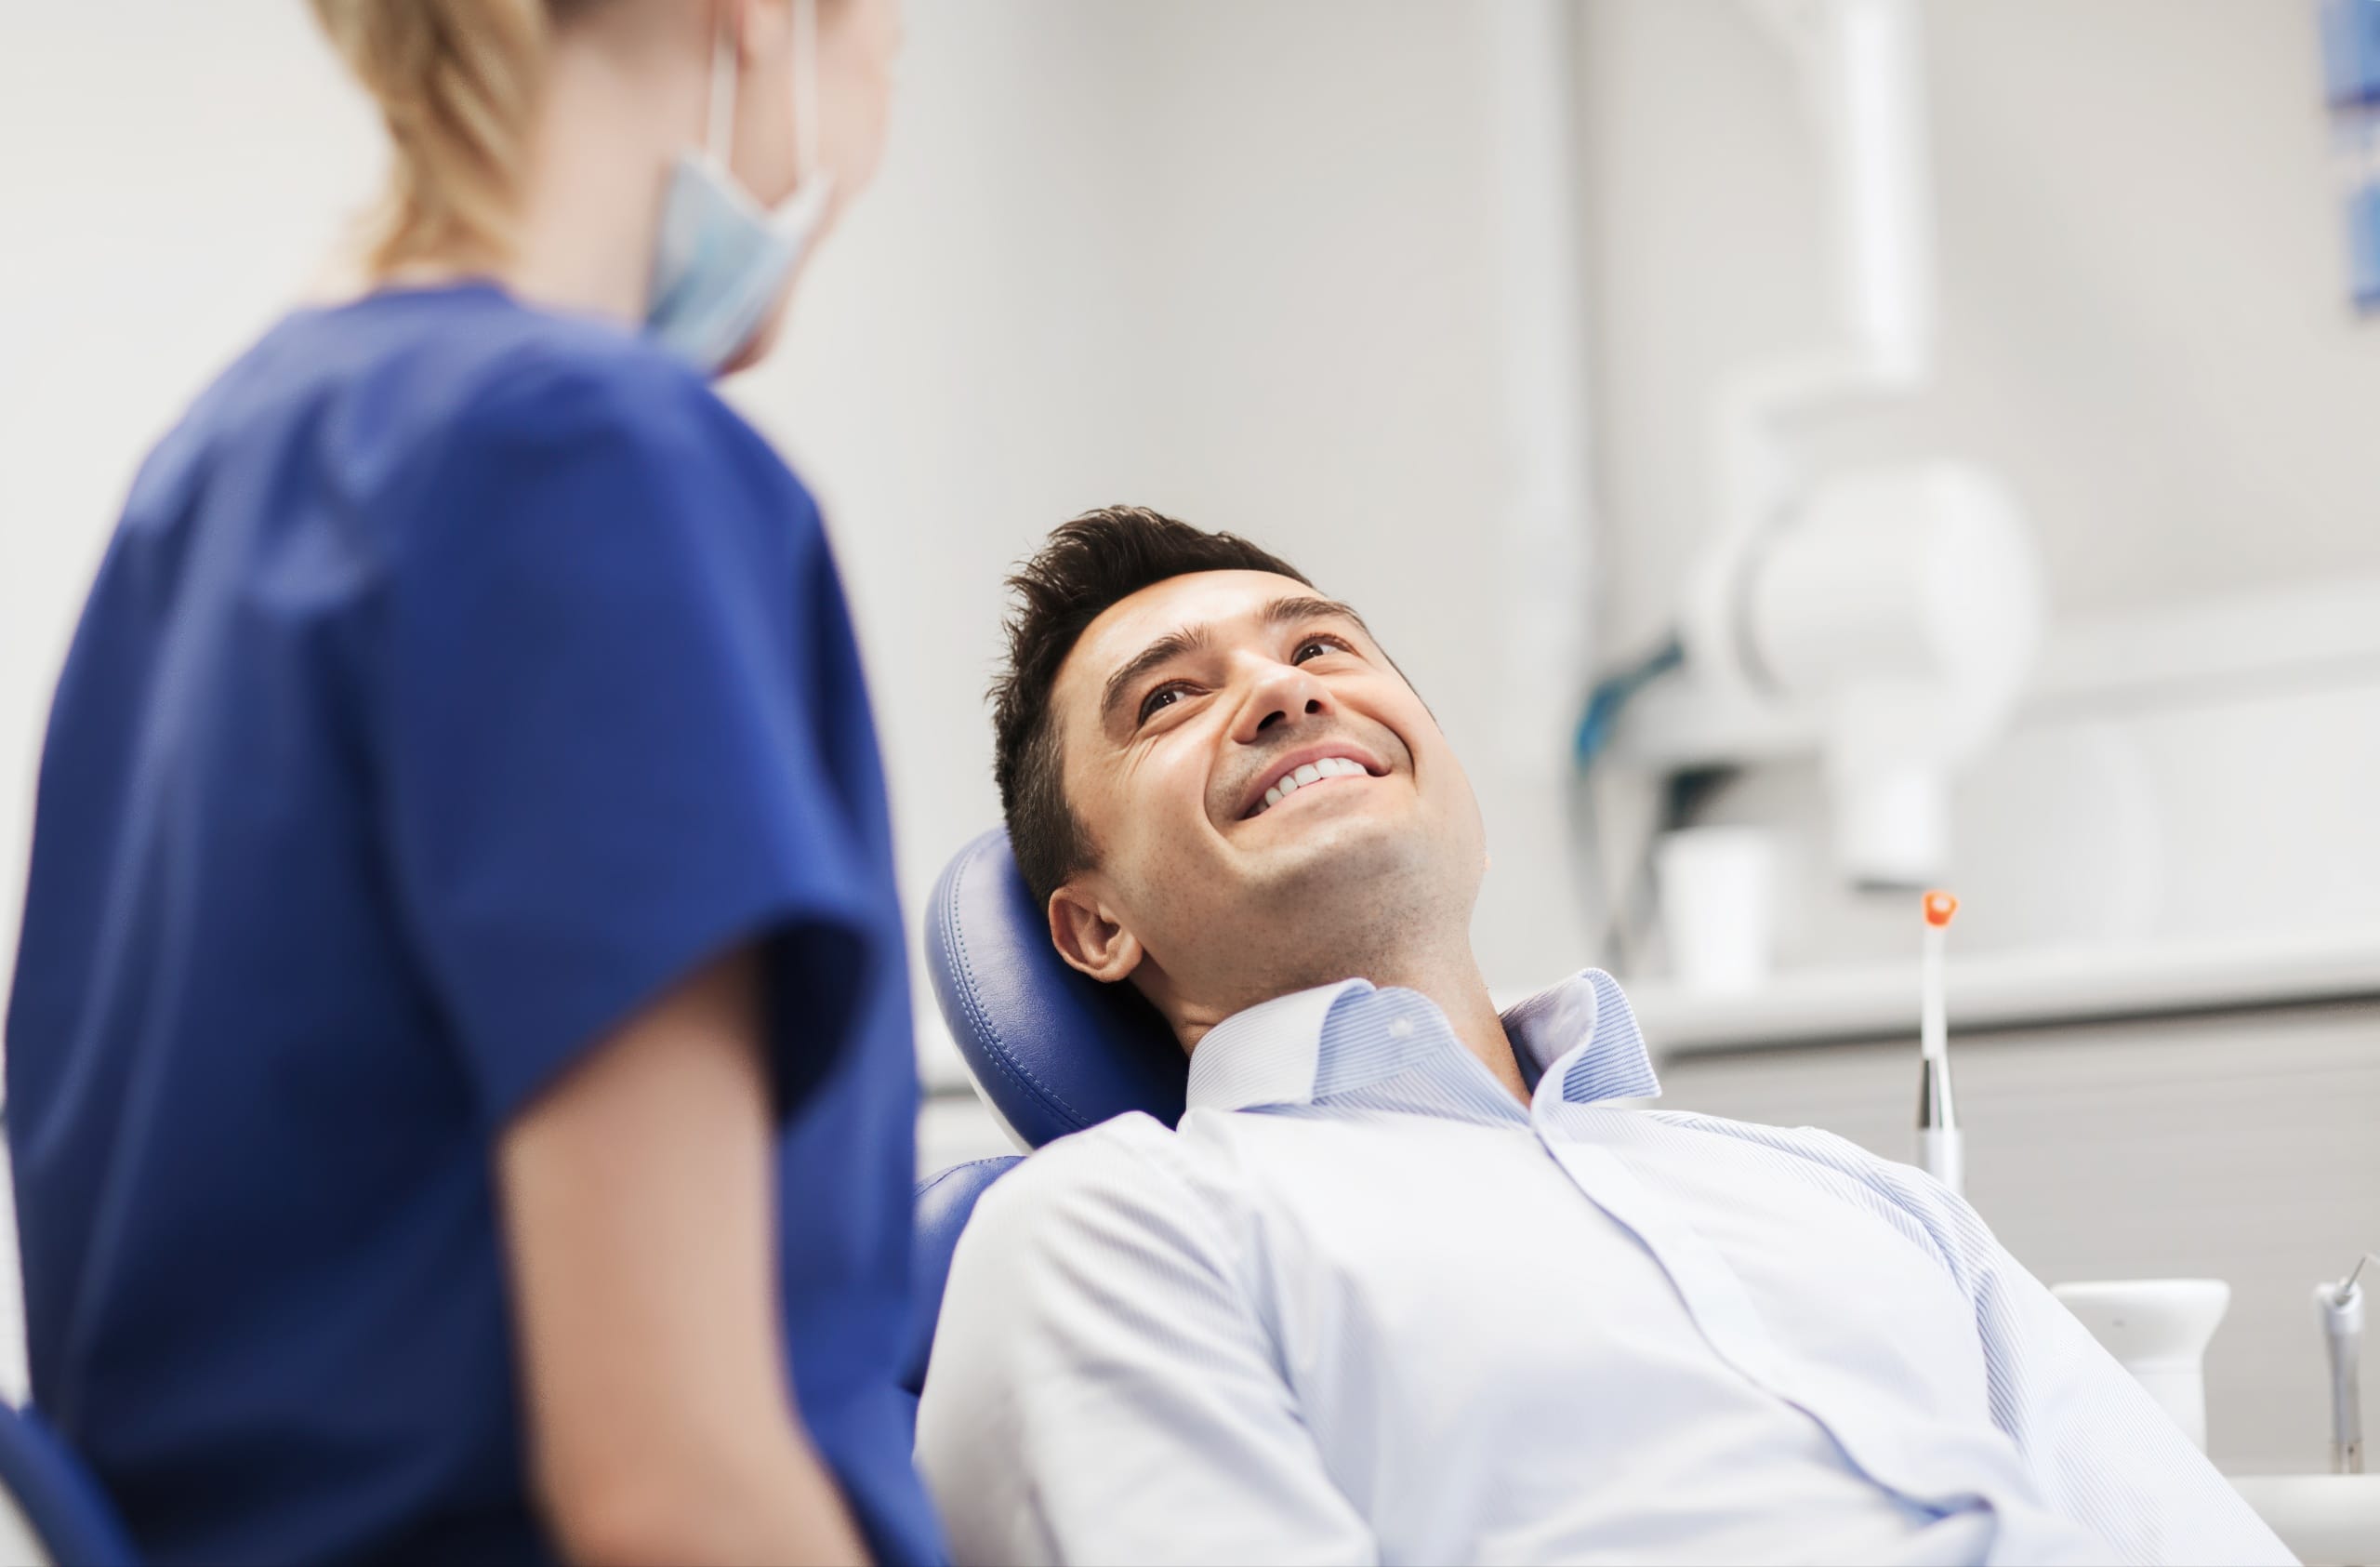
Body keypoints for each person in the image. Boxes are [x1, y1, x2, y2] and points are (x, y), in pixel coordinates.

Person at [913, 508, 2294, 1567]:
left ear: (1441, 769)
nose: (1284, 691)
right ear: (1092, 926)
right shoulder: (1109, 1230)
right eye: (1170, 698)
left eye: (1320, 645)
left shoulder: (1847, 1192)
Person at [4, 2, 939, 1562]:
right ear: (760, 22)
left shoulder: (214, 470)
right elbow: (671, 1489)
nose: (873, 136)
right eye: (884, 51)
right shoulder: (592, 460)